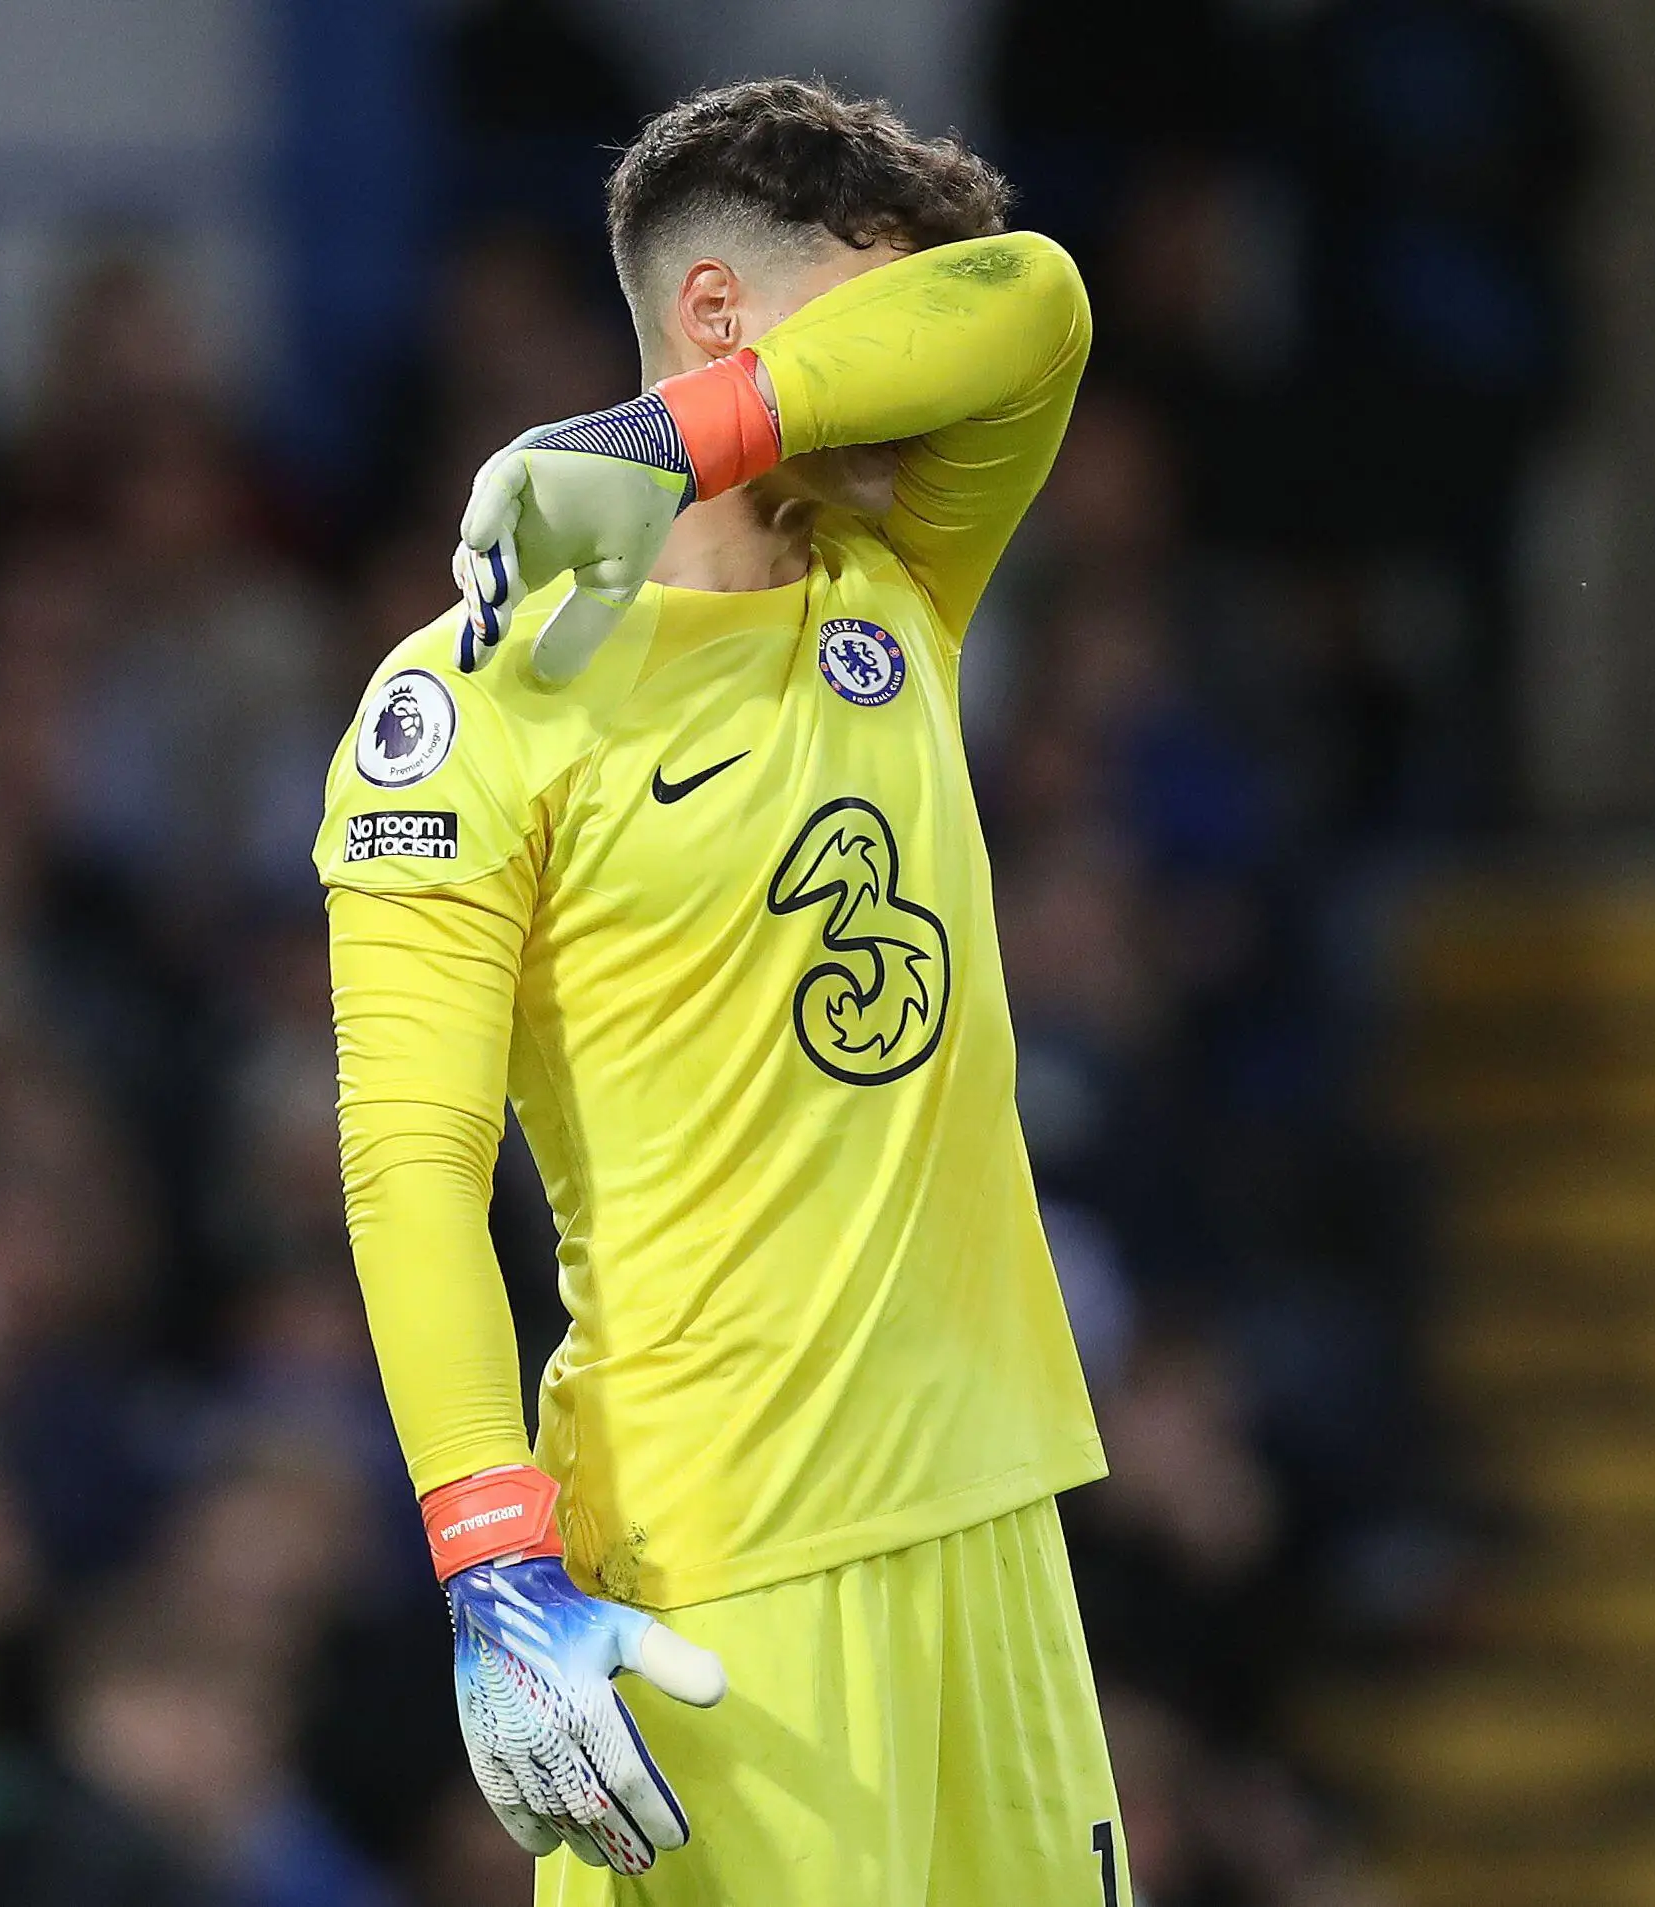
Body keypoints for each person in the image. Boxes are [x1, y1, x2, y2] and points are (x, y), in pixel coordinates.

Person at [317, 79, 1124, 1903]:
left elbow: (1037, 304)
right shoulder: (466, 709)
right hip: (719, 1564)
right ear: (715, 308)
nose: (917, 390)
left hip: (991, 1526)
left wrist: (674, 434)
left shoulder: (897, 575)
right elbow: (410, 1165)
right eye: (875, 320)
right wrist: (490, 1562)